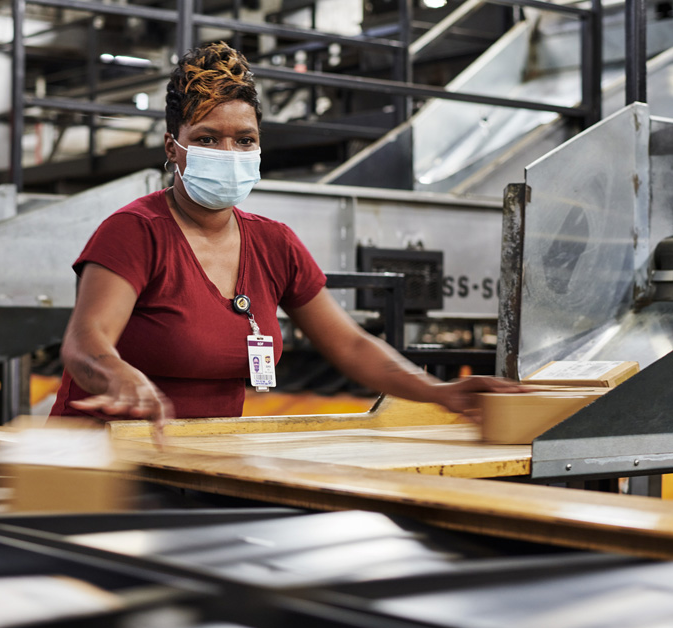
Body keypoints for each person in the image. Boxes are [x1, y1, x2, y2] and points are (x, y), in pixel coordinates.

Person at [50, 42, 520, 427]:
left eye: (245, 139)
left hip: (200, 464)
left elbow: (351, 344)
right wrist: (116, 376)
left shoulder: (274, 244)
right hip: (98, 464)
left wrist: (440, 392)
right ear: (174, 147)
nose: (229, 151)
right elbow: (85, 341)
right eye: (208, 138)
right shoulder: (136, 232)